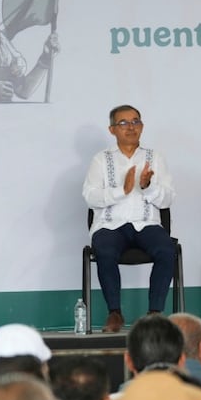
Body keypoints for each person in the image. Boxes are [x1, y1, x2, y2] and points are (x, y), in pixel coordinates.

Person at [83, 104, 177, 333]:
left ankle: (155, 314)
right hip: (110, 224)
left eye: (135, 122)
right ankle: (114, 313)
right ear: (112, 129)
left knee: (167, 249)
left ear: (142, 126)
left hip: (146, 224)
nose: (130, 127)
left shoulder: (155, 158)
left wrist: (147, 187)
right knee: (104, 250)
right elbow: (90, 197)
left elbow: (167, 200)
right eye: (123, 123)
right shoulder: (100, 160)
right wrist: (122, 190)